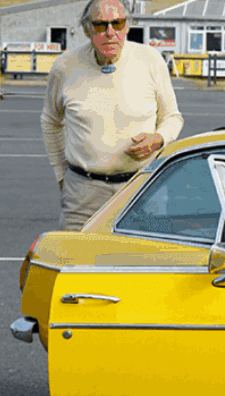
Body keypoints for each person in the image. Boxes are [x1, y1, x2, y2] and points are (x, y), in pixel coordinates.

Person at [41, 0, 183, 230]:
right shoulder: (64, 67)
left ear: (127, 26)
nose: (110, 33)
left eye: (117, 23)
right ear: (87, 29)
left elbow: (173, 117)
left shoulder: (150, 60)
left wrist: (158, 139)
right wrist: (61, 175)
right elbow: (50, 121)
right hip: (83, 192)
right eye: (101, 25)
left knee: (142, 263)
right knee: (78, 264)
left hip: (143, 186)